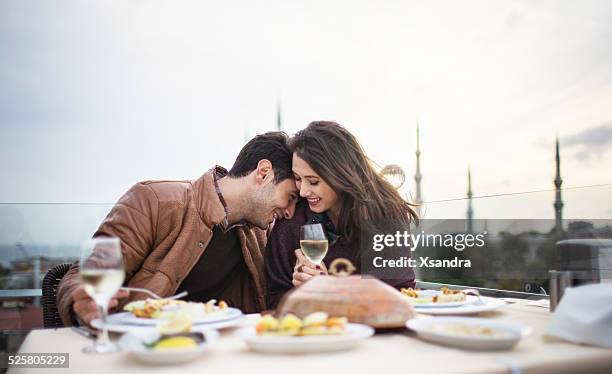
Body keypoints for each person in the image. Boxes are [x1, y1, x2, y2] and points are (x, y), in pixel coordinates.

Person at [57, 132, 299, 326]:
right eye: (290, 196)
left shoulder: (262, 232)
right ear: (264, 173)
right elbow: (83, 275)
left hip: (216, 353)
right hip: (140, 347)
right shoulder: (154, 201)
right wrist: (82, 298)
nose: (289, 212)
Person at [265, 121, 418, 309]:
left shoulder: (385, 212)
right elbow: (273, 300)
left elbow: (400, 294)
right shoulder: (293, 220)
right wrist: (301, 294)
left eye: (313, 182)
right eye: (298, 179)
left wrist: (332, 291)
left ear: (340, 174)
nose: (303, 191)